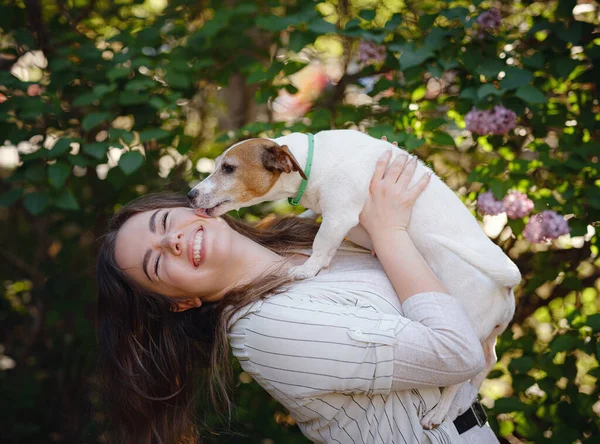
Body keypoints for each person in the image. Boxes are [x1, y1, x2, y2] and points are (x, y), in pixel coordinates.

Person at [96, 150, 501, 443]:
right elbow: (455, 353)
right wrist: (388, 232)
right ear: (180, 303)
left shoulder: (309, 239)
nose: (172, 240)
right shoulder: (268, 330)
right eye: (157, 262)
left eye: (166, 221)